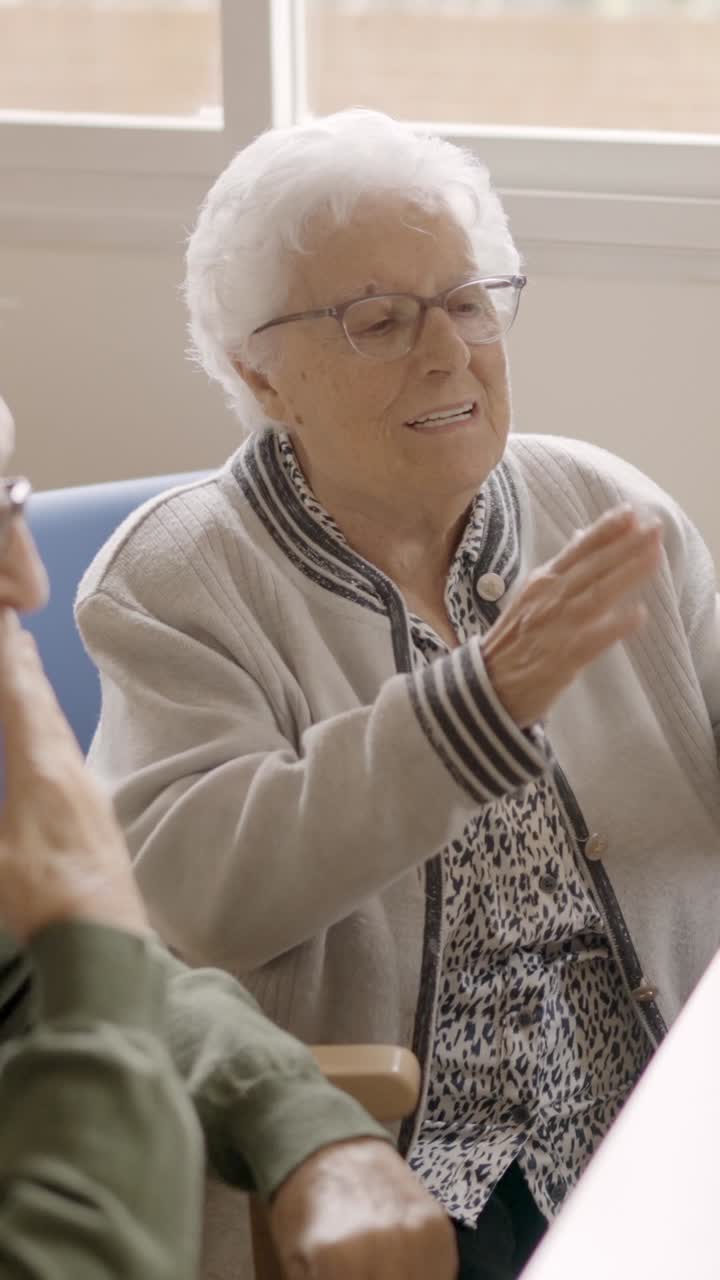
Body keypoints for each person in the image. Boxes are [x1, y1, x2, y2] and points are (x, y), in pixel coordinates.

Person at [74, 109, 720, 1280]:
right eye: (379, 321)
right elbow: (200, 893)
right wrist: (479, 702)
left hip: (656, 1131)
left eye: (469, 302)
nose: (447, 353)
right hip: (397, 1172)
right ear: (259, 372)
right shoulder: (175, 581)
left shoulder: (609, 509)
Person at [0, 393, 457, 1280]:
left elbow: (30, 978)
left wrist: (307, 1125)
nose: (28, 582)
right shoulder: (177, 582)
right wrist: (88, 915)